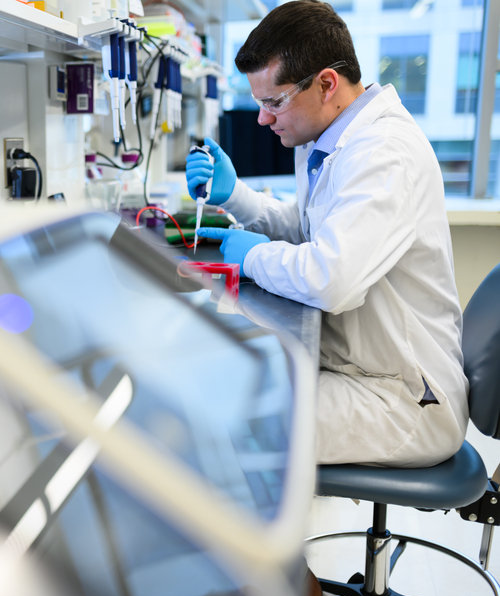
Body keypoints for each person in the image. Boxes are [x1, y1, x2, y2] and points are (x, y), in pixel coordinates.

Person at [187, 0, 468, 470]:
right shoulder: (332, 140)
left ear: (326, 84)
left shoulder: (383, 153)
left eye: (273, 102)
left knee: (212, 424)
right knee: (213, 381)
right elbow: (308, 229)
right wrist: (236, 196)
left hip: (404, 399)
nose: (262, 119)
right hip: (361, 369)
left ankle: (255, 543)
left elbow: (330, 278)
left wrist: (251, 257)